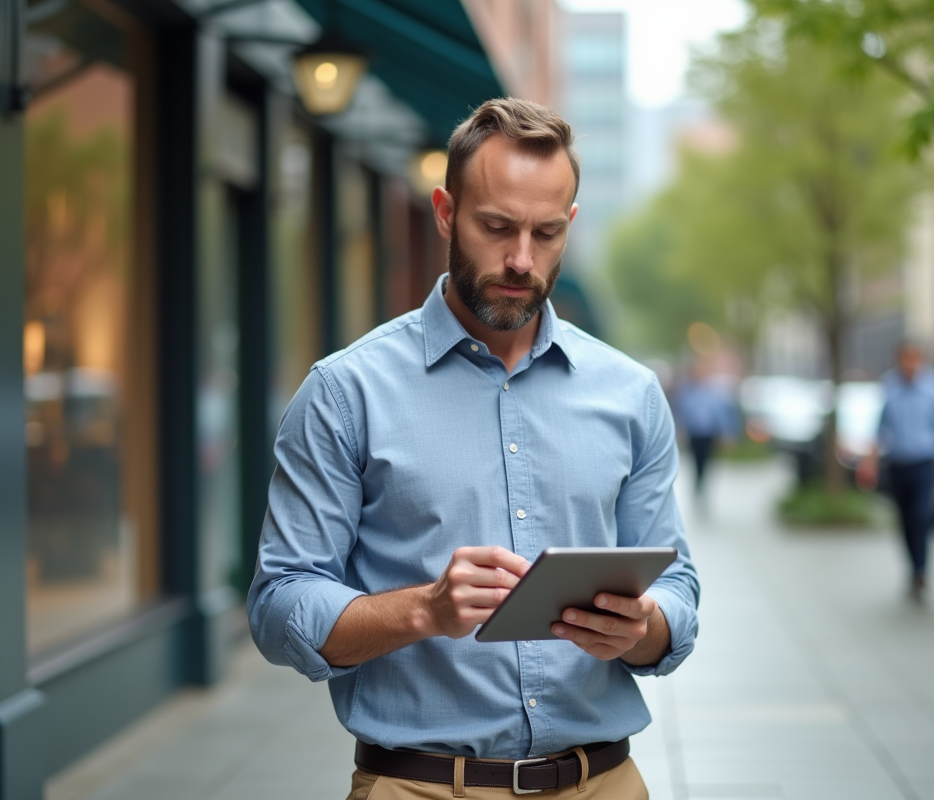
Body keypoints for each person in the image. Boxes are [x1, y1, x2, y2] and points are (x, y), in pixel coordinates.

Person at [248, 98, 699, 800]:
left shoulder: (631, 394)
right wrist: (424, 610)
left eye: (546, 233)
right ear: (445, 212)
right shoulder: (345, 392)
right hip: (421, 787)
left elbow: (677, 589)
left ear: (570, 224)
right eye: (496, 227)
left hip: (604, 783)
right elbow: (279, 604)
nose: (521, 259)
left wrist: (641, 629)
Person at [857, 341, 934, 601]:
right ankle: (914, 569)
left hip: (925, 463)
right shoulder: (890, 386)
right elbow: (880, 428)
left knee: (922, 516)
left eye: (913, 359)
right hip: (898, 462)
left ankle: (922, 570)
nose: (909, 364)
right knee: (905, 520)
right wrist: (870, 462)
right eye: (904, 359)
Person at [674, 360, 740, 496]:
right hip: (693, 433)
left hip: (709, 433)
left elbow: (722, 413)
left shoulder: (714, 391)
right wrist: (679, 431)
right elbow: (680, 412)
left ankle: (703, 485)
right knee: (695, 461)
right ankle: (698, 485)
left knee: (708, 461)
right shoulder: (686, 391)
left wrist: (727, 432)